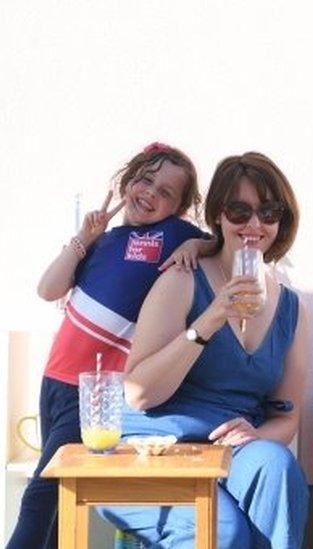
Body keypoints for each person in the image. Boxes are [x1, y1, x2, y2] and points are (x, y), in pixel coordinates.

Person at [98, 152, 309, 548]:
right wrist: (210, 320)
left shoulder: (292, 310)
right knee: (222, 532)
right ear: (218, 216)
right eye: (239, 210)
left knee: (278, 467)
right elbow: (139, 394)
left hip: (230, 453)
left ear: (282, 221)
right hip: (153, 448)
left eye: (268, 211)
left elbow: (287, 415)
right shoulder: (182, 279)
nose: (253, 225)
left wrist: (257, 434)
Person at [8, 143, 207, 549]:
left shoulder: (173, 235)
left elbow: (218, 241)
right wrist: (83, 238)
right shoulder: (103, 240)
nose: (150, 193)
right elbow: (48, 290)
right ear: (128, 180)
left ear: (179, 208)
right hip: (54, 380)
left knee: (42, 491)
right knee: (59, 500)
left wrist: (194, 246)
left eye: (166, 192)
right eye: (145, 180)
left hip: (93, 390)